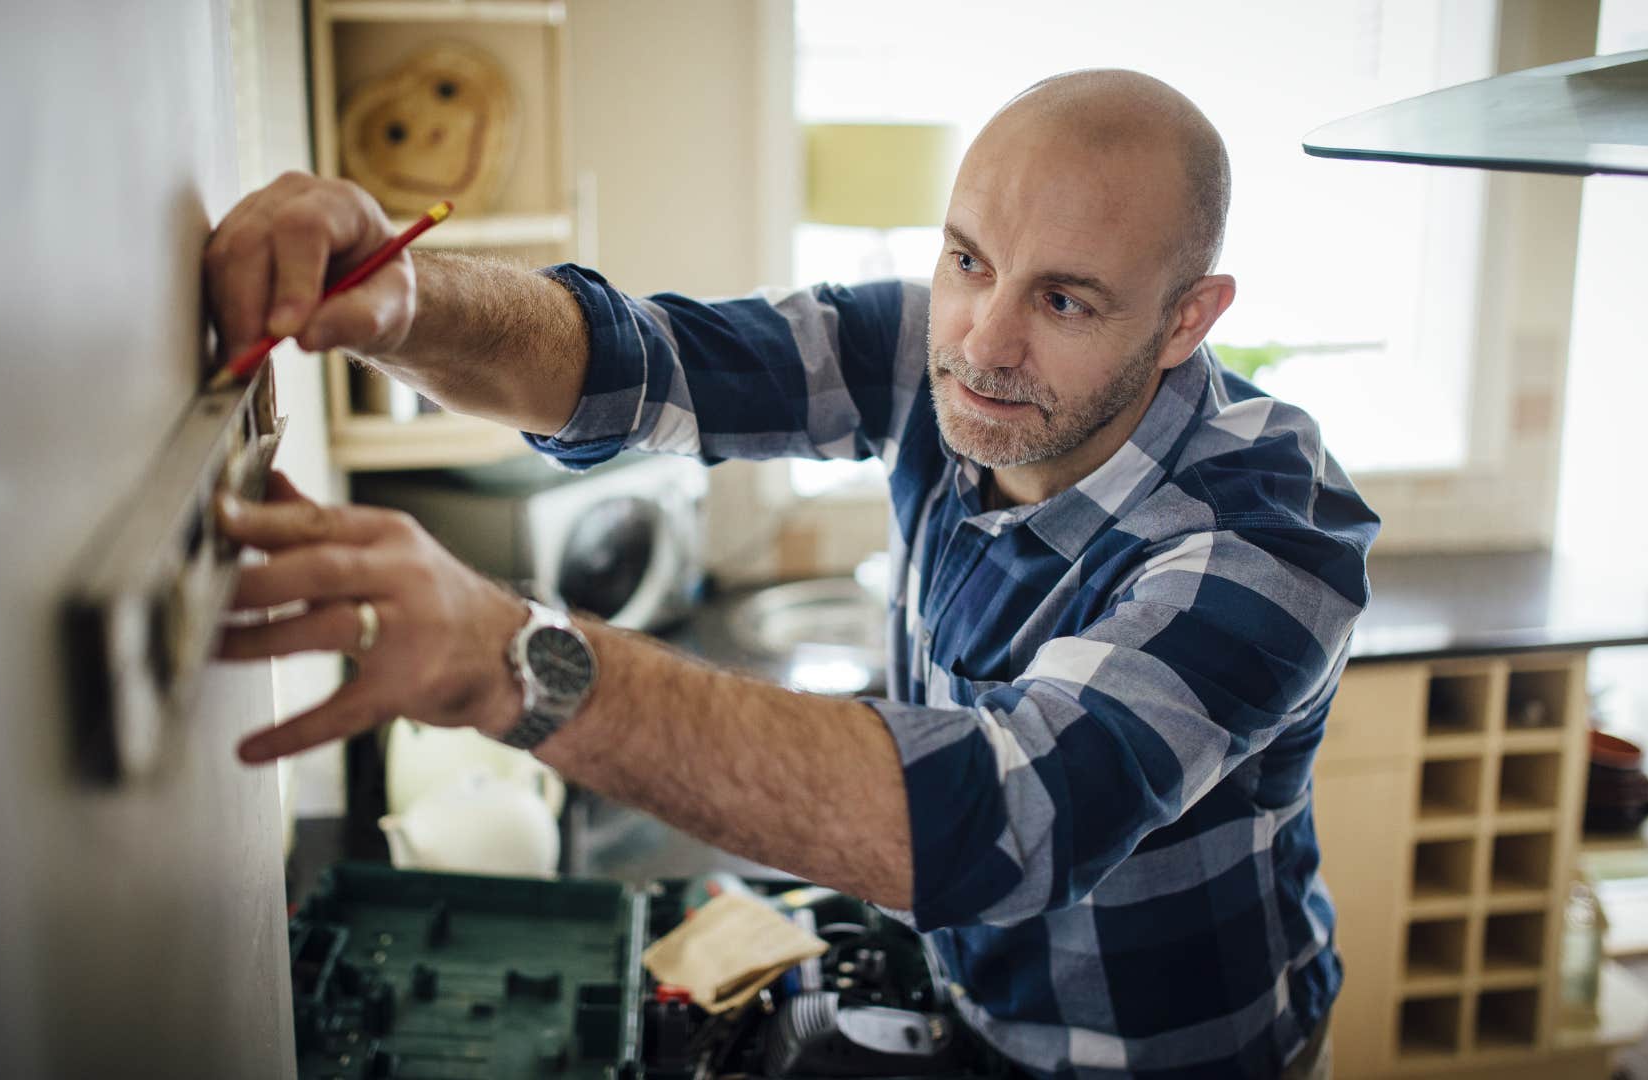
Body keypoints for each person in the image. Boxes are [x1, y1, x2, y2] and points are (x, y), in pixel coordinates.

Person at [206, 68, 1377, 1079]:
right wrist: (407, 300)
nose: (982, 342)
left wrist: (512, 660)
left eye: (1064, 300)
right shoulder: (933, 350)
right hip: (966, 1007)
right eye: (969, 259)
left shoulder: (1268, 535)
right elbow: (636, 362)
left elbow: (1009, 819)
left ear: (1186, 321)